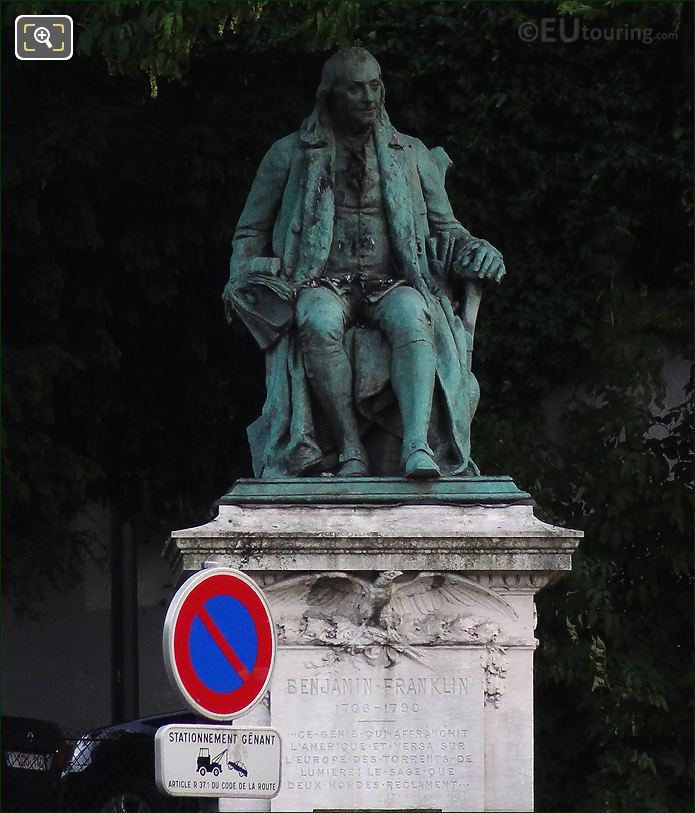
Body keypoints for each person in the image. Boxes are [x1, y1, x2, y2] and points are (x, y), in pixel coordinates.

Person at [223, 47, 505, 479]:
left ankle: (417, 447)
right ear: (330, 95)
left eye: (375, 86)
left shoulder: (409, 154)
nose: (369, 98)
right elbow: (249, 232)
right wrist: (249, 272)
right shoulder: (289, 154)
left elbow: (447, 230)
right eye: (356, 89)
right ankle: (351, 449)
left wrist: (481, 251)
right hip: (319, 281)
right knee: (315, 319)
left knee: (415, 314)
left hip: (392, 280)